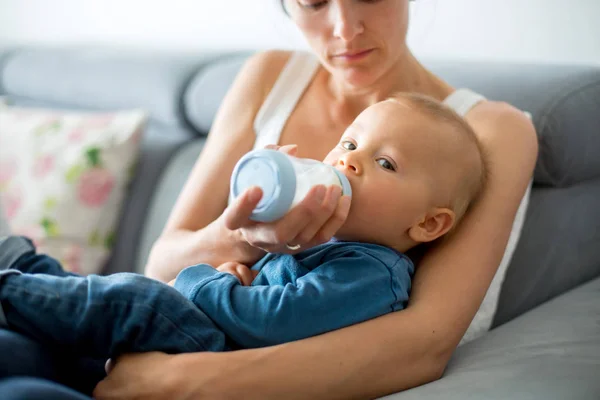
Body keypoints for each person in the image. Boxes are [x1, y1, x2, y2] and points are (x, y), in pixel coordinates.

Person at [1, 1, 537, 399]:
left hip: (210, 366)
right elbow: (160, 263)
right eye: (314, 1)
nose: (345, 29)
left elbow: (423, 343)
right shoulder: (268, 77)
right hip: (156, 333)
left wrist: (181, 381)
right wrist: (247, 239)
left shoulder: (491, 132)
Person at [0, 93, 486, 361]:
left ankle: (10, 289)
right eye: (349, 142)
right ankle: (21, 263)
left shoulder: (372, 275)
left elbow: (271, 322)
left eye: (384, 162)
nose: (349, 161)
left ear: (427, 223)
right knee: (95, 293)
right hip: (204, 325)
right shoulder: (320, 239)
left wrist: (213, 280)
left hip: (215, 349)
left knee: (135, 299)